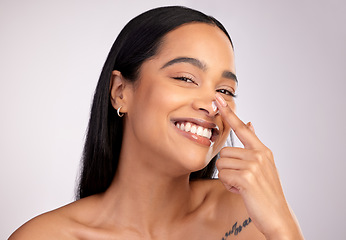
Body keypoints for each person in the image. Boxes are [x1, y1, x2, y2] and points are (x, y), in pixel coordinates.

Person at [9, 6, 304, 240]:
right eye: (185, 78)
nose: (210, 103)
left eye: (225, 90)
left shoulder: (245, 214)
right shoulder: (45, 237)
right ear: (120, 92)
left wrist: (283, 228)